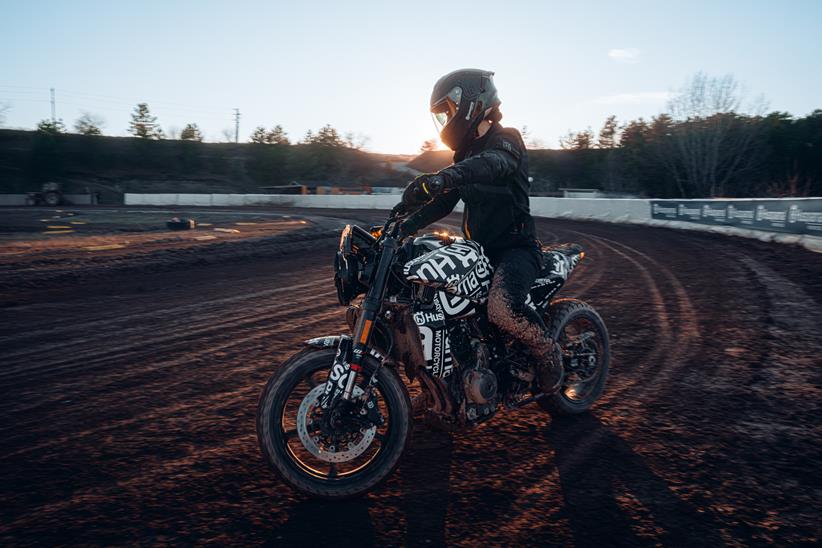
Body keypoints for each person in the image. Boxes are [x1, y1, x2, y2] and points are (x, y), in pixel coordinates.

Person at [400, 68, 562, 393]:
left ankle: (548, 353)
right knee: (436, 301)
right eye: (442, 114)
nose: (446, 119)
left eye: (448, 110)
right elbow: (442, 205)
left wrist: (446, 176)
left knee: (501, 308)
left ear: (471, 102)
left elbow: (493, 164)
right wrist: (401, 223)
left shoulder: (507, 140)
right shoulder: (464, 155)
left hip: (517, 249)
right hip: (479, 253)